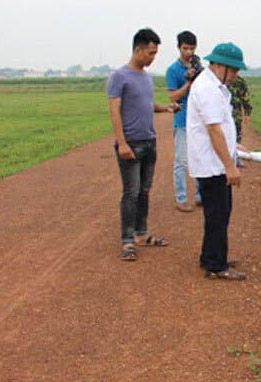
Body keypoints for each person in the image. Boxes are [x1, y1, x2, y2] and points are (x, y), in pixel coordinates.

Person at [107, 28, 175, 261]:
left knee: (144, 191)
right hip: (131, 144)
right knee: (131, 192)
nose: (152, 57)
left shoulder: (146, 77)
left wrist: (165, 108)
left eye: (155, 53)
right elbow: (114, 111)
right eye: (150, 52)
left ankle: (141, 233)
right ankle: (127, 240)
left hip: (149, 141)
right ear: (138, 49)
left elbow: (146, 104)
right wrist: (122, 143)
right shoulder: (119, 76)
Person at [186, 42, 247, 280]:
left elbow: (221, 125)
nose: (235, 75)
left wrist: (235, 146)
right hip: (213, 165)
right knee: (219, 214)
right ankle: (216, 265)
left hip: (214, 161)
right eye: (233, 70)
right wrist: (230, 167)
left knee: (218, 213)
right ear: (219, 65)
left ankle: (210, 255)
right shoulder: (208, 89)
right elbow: (213, 129)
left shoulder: (215, 86)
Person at [166, 30, 202, 212]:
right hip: (181, 119)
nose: (189, 52)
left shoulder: (198, 65)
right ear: (178, 47)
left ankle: (199, 195)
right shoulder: (173, 70)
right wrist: (188, 82)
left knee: (198, 158)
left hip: (198, 119)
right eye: (185, 48)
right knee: (181, 160)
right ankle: (181, 198)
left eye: (192, 49)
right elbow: (172, 96)